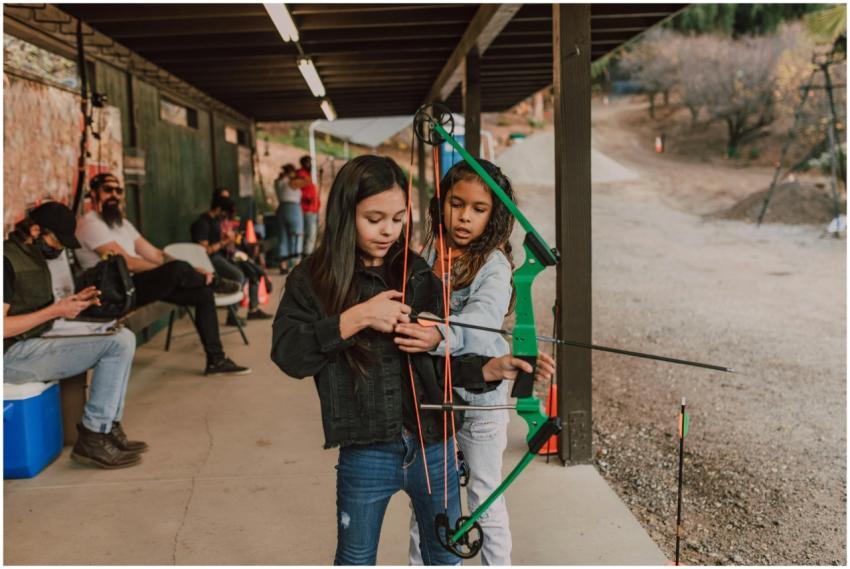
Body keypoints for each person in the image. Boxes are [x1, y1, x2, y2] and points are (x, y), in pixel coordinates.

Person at [271, 155, 554, 565]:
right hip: (366, 448)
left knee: (446, 553)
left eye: (399, 218)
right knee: (355, 558)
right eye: (374, 218)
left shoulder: (415, 270)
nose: (389, 230)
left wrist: (490, 369)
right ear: (344, 213)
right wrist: (359, 316)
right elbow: (289, 355)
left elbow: (430, 361)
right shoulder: (312, 279)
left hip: (434, 443)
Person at [397, 159, 519, 565]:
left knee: (484, 498)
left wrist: (435, 335)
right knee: (428, 499)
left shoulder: (494, 265)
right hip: (435, 395)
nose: (464, 216)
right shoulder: (431, 249)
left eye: (478, 209)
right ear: (441, 204)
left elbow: (483, 325)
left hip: (481, 402)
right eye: (456, 203)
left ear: (495, 215)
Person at [4, 202, 146, 469]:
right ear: (35, 230)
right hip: (9, 357)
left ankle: (106, 427)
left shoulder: (31, 256)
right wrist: (56, 310)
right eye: (56, 241)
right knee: (116, 345)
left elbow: (34, 310)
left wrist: (70, 304)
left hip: (29, 343)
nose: (59, 249)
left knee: (122, 337)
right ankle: (94, 435)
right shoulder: (6, 261)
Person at [75, 172, 251, 376]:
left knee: (201, 293)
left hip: (133, 286)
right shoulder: (91, 224)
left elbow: (155, 254)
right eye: (107, 190)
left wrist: (187, 270)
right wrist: (172, 271)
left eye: (118, 190)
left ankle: (216, 360)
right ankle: (212, 281)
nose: (114, 194)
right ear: (94, 194)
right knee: (176, 270)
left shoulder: (122, 223)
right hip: (111, 293)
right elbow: (126, 263)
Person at [191, 194, 272, 321]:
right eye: (224, 212)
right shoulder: (203, 223)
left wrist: (229, 239)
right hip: (211, 259)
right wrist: (224, 242)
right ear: (218, 209)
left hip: (224, 255)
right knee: (238, 276)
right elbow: (204, 251)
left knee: (252, 272)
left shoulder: (215, 221)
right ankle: (232, 315)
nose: (226, 216)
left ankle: (253, 309)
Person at [274, 164, 306, 274]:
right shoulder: (292, 182)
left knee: (282, 238)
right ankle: (297, 265)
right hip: (293, 209)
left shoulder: (279, 181)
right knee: (297, 236)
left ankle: (283, 266)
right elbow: (307, 181)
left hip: (281, 209)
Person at [297, 155, 320, 256]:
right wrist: (307, 197)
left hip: (313, 209)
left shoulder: (307, 175)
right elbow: (297, 190)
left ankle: (308, 255)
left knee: (311, 235)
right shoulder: (301, 174)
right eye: (308, 162)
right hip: (307, 209)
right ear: (303, 163)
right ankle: (307, 256)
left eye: (311, 162)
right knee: (309, 235)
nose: (310, 165)